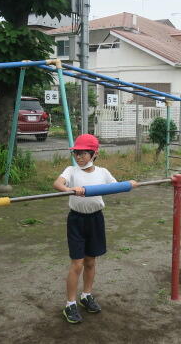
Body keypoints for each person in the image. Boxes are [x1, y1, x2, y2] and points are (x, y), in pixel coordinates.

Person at [52, 134, 137, 324]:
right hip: (76, 220)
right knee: (77, 263)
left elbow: (116, 187)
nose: (79, 157)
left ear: (94, 154)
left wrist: (128, 184)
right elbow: (57, 183)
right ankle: (70, 304)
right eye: (76, 153)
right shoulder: (71, 171)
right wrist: (69, 190)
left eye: (83, 153)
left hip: (96, 219)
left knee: (90, 261)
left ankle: (86, 295)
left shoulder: (103, 172)